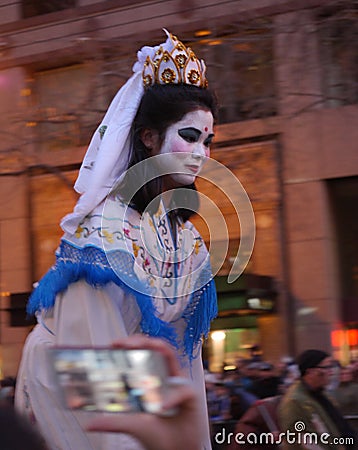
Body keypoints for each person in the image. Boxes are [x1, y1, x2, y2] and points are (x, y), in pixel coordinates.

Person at [15, 30, 218, 450]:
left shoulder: (186, 237)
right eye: (190, 136)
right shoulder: (104, 234)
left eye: (208, 140)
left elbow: (187, 358)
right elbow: (96, 365)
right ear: (148, 137)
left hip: (139, 388)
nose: (202, 152)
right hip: (71, 385)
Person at [278, 349, 357, 450]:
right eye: (327, 367)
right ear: (310, 372)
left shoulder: (320, 394)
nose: (332, 372)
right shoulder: (295, 402)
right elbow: (301, 442)